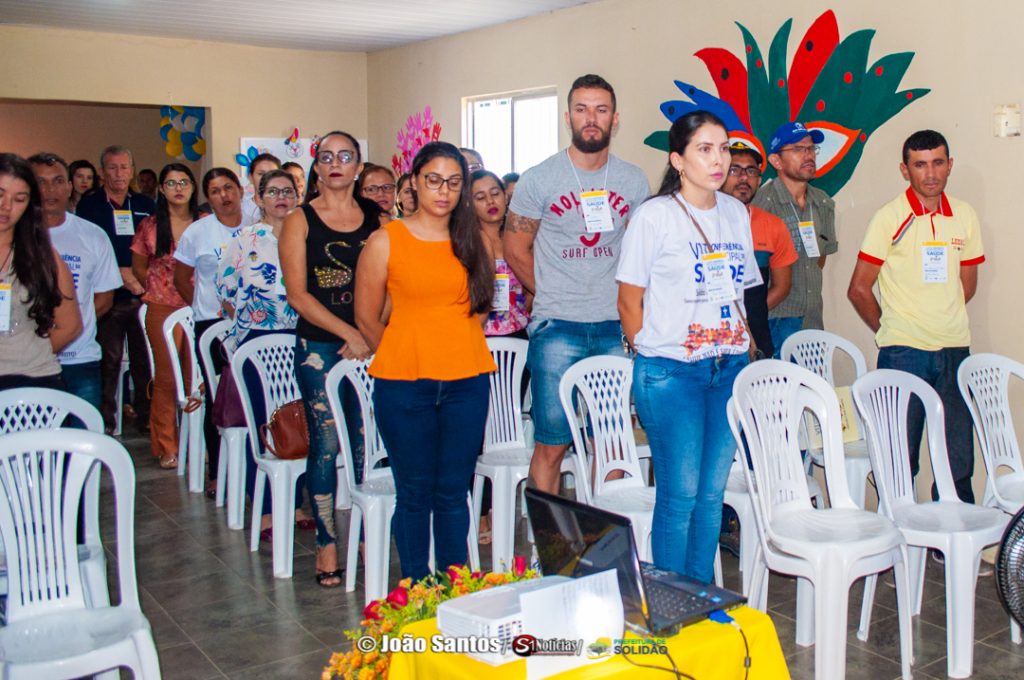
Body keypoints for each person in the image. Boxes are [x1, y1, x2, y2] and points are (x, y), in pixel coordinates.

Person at [617, 111, 760, 583]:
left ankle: (700, 595)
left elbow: (739, 292)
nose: (718, 159)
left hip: (727, 368)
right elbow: (628, 300)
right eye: (704, 149)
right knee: (679, 495)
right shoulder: (654, 216)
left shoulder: (737, 213)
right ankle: (670, 600)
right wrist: (654, 354)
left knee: (709, 495)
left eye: (723, 148)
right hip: (672, 373)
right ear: (678, 159)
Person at [356, 141, 495, 581]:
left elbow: (482, 308)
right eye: (433, 180)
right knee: (414, 494)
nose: (443, 191)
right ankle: (416, 590)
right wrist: (404, 348)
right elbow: (365, 316)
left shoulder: (472, 241)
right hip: (405, 384)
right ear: (414, 181)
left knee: (454, 493)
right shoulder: (385, 240)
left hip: (467, 380)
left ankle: (456, 588)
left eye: (454, 183)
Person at [504, 73, 650, 494]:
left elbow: (642, 255)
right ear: (567, 116)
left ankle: (603, 544)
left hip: (614, 328)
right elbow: (515, 248)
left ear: (615, 119)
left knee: (611, 441)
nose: (592, 118)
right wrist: (551, 290)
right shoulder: (540, 178)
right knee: (552, 444)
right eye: (583, 109)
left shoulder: (633, 181)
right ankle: (548, 548)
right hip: (557, 328)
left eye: (601, 110)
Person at [848, 130, 984, 505]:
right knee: (899, 458)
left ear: (949, 165)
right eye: (920, 165)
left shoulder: (965, 216)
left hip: (955, 350)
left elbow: (965, 287)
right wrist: (892, 329)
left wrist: (942, 315)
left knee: (958, 458)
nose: (930, 173)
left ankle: (952, 545)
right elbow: (859, 288)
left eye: (938, 163)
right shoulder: (889, 216)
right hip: (903, 353)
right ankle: (899, 546)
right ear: (904, 170)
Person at [280, 130, 381, 587]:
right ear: (316, 166)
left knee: (366, 440)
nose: (336, 163)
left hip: (370, 341)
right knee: (326, 442)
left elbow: (394, 283)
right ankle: (326, 541)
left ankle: (365, 533)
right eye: (327, 157)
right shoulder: (301, 220)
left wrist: (369, 333)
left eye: (346, 156)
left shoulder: (379, 219)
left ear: (359, 166)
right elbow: (298, 295)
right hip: (320, 345)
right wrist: (347, 333)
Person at [217, 169, 310, 539]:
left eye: (287, 191)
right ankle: (267, 508)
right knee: (262, 422)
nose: (281, 198)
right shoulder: (245, 239)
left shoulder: (306, 234)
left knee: (300, 421)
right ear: (258, 199)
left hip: (301, 336)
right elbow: (223, 288)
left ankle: (299, 501)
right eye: (272, 192)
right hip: (258, 341)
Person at [28, 152, 121, 410]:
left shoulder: (93, 236)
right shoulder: (13, 239)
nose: (50, 190)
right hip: (25, 364)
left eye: (58, 181)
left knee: (82, 439)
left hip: (80, 358)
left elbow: (104, 298)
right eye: (41, 182)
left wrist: (68, 329)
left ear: (70, 186)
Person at [174, 168, 246, 494]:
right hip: (212, 325)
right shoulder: (198, 232)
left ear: (240, 190)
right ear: (208, 197)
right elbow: (181, 277)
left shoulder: (256, 226)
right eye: (215, 191)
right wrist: (203, 309)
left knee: (250, 396)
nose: (223, 196)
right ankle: (217, 472)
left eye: (228, 188)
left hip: (251, 323)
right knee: (218, 397)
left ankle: (254, 467)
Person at [76, 145, 155, 434]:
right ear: (101, 172)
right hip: (105, 297)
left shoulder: (146, 203)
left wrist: (137, 278)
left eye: (124, 167)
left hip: (141, 295)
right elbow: (85, 249)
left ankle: (147, 419)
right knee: (107, 361)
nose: (119, 173)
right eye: (112, 167)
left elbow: (155, 250)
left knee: (144, 362)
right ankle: (105, 423)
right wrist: (118, 275)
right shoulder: (90, 204)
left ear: (132, 170)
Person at [131, 163, 200, 469]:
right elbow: (139, 268)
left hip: (199, 307)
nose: (178, 188)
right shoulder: (150, 225)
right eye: (171, 183)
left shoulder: (205, 222)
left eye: (183, 182)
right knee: (167, 377)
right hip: (162, 306)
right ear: (161, 189)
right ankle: (166, 446)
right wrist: (163, 288)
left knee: (195, 377)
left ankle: (199, 444)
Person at [752, 121, 837, 355]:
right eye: (798, 149)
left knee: (813, 390)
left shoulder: (823, 203)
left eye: (811, 149)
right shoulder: (761, 206)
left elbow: (818, 259)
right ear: (776, 161)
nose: (808, 155)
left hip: (812, 320)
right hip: (775, 320)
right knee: (778, 392)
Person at [0, 153, 82, 390]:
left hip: (33, 381)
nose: (6, 207)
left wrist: (29, 354)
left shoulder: (42, 256)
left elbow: (70, 325)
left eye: (19, 199)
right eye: (1, 195)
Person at [721, 141, 797, 358]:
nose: (744, 177)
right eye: (735, 169)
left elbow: (782, 286)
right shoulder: (703, 223)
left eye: (751, 171)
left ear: (759, 180)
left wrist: (749, 313)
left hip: (757, 340)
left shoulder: (774, 225)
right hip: (712, 341)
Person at [473, 170, 530, 339]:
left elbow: (533, 288)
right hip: (480, 336)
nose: (490, 201)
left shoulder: (521, 239)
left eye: (495, 193)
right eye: (480, 198)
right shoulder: (468, 245)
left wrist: (516, 316)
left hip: (520, 333)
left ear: (505, 197)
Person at [241, 153, 281, 226]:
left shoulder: (288, 206)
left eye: (273, 174)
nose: (267, 178)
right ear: (250, 177)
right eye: (261, 174)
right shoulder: (241, 208)